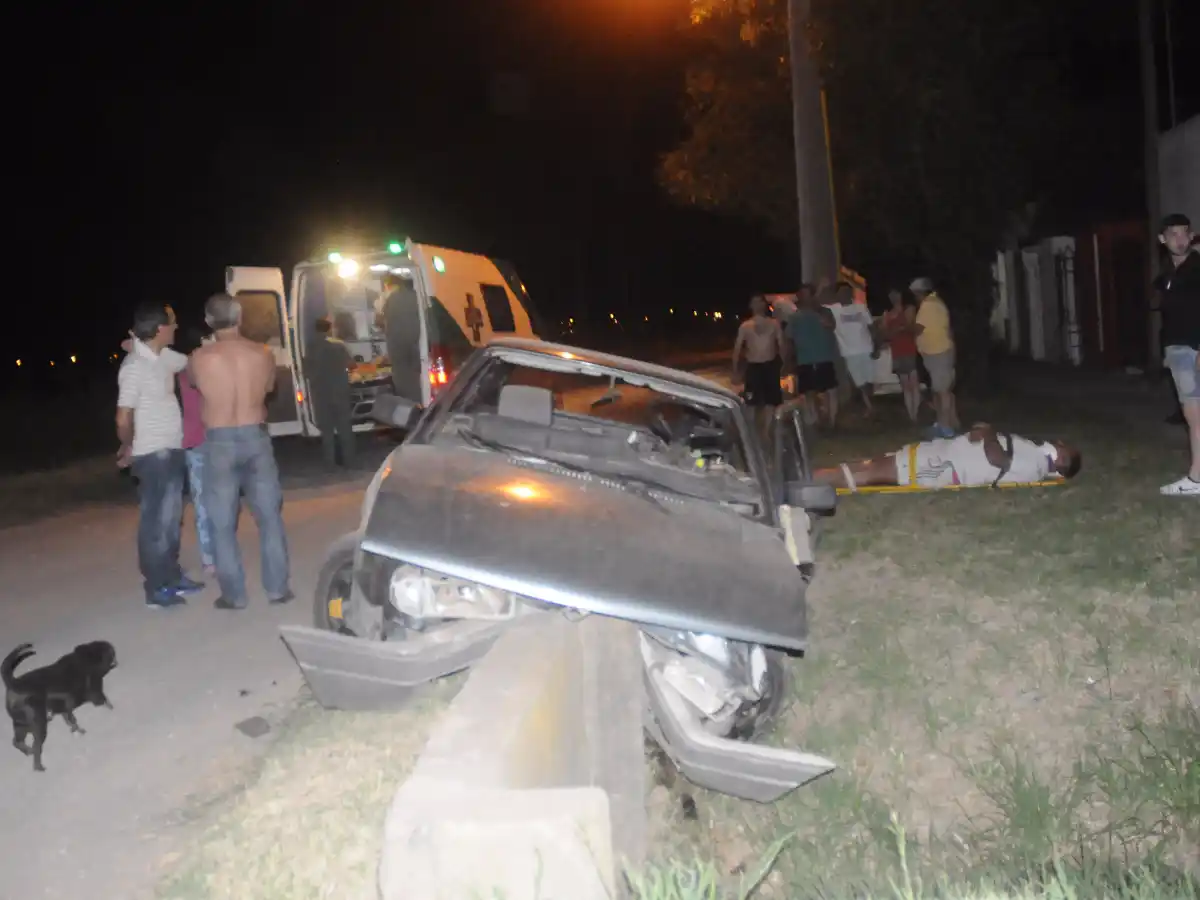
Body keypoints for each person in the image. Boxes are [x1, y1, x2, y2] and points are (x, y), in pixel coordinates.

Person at [190, 293, 293, 609]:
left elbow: (197, 387)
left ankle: (234, 595)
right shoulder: (262, 353)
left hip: (219, 441)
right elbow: (268, 388)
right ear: (240, 318)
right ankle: (277, 589)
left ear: (208, 321)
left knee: (221, 523)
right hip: (255, 437)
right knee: (270, 518)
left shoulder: (199, 358)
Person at [116, 303, 206, 608]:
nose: (176, 328)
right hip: (154, 454)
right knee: (157, 523)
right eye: (172, 323)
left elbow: (191, 363)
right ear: (159, 329)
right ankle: (156, 588)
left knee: (170, 520)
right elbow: (123, 416)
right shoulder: (134, 367)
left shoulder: (161, 356)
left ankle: (170, 575)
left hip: (171, 449)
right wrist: (127, 446)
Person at [813, 423, 1081, 491]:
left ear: (1061, 463)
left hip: (943, 465)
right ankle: (814, 479)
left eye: (1064, 447)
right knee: (872, 465)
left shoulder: (1035, 465)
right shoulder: (1035, 457)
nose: (1059, 443)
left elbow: (998, 460)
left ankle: (811, 483)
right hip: (943, 456)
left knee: (870, 472)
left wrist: (988, 433)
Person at [1155, 213, 1200, 497]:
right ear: (1163, 239)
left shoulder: (1196, 268)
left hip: (1192, 349)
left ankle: (1196, 479)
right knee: (1193, 415)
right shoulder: (1167, 273)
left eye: (1184, 233)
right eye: (1173, 234)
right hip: (1177, 349)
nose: (1180, 239)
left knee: (1195, 416)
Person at [178, 328, 216, 574]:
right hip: (201, 439)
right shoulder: (197, 366)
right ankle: (210, 556)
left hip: (203, 439)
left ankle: (212, 554)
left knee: (208, 501)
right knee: (206, 502)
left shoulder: (188, 366)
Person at [785, 285, 841, 428]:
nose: (805, 297)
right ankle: (814, 420)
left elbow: (831, 325)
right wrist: (789, 360)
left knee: (830, 390)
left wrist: (819, 311)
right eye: (802, 294)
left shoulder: (824, 312)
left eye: (807, 294)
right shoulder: (794, 317)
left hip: (824, 357)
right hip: (804, 359)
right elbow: (789, 339)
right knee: (808, 392)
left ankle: (832, 420)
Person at [731, 295, 786, 440]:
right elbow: (737, 349)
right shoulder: (745, 326)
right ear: (751, 305)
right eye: (755, 302)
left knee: (771, 401)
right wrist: (735, 370)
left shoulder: (774, 324)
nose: (758, 305)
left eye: (760, 302)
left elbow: (781, 345)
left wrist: (785, 364)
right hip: (753, 367)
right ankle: (749, 432)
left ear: (765, 305)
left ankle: (766, 431)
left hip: (770, 366)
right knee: (751, 402)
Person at [910, 277, 959, 436]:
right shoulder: (936, 303)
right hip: (938, 352)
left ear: (919, 293)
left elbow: (918, 328)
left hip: (938, 352)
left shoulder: (928, 306)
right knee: (940, 390)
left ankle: (946, 428)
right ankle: (944, 423)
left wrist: (902, 329)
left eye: (915, 294)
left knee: (942, 391)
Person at [306, 316, 356, 468]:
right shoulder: (339, 346)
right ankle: (349, 462)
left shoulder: (311, 347)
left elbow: (306, 372)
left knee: (327, 432)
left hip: (321, 395)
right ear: (329, 329)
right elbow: (352, 365)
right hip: (340, 393)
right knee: (345, 429)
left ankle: (330, 464)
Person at [829, 281, 877, 415]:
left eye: (847, 291)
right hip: (849, 352)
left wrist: (876, 346)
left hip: (866, 348)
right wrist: (823, 286)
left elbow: (871, 327)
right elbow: (818, 302)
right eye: (842, 292)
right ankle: (869, 406)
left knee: (869, 380)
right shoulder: (834, 309)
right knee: (858, 382)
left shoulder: (861, 307)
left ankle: (870, 405)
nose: (845, 294)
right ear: (837, 295)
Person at [379, 273, 424, 400]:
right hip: (417, 349)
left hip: (400, 352)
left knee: (405, 384)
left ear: (389, 285)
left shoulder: (390, 299)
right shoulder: (416, 296)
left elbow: (382, 323)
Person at [880, 287, 922, 422]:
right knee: (905, 385)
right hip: (897, 352)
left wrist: (897, 329)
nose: (894, 297)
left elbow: (911, 327)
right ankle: (912, 416)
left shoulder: (908, 309)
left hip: (909, 349)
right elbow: (885, 334)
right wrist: (896, 329)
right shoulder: (888, 314)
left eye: (896, 294)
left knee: (914, 383)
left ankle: (916, 413)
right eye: (891, 295)